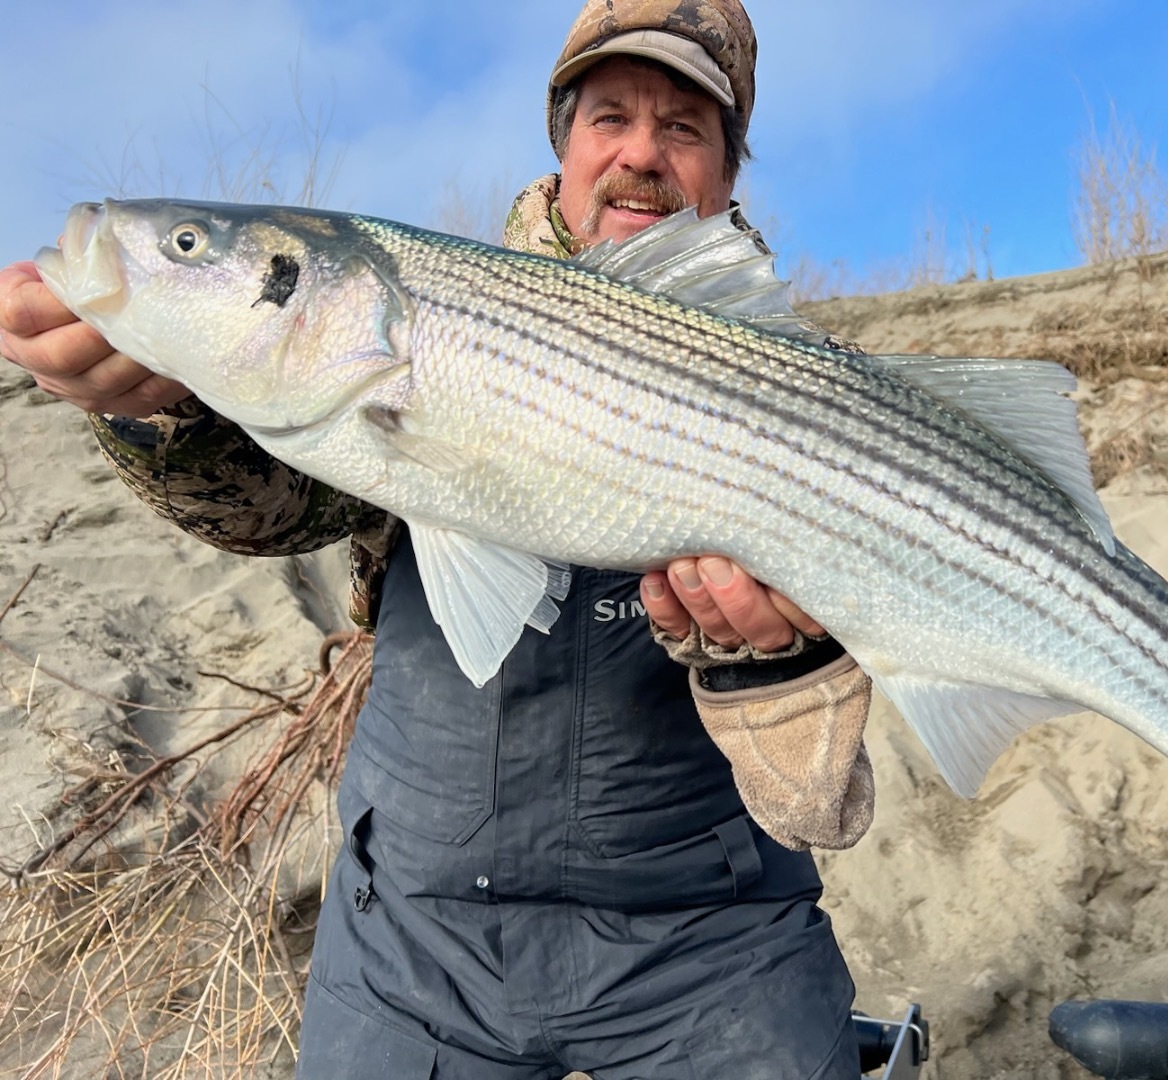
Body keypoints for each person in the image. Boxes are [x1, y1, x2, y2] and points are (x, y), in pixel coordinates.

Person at [0, 2, 876, 1076]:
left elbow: (823, 792)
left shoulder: (823, 394)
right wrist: (163, 413)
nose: (641, 152)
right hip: (412, 938)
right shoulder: (406, 313)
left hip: (712, 939)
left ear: (729, 171)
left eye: (685, 127)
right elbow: (271, 502)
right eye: (610, 117)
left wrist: (780, 660)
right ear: (564, 149)